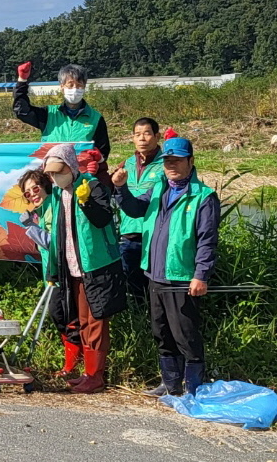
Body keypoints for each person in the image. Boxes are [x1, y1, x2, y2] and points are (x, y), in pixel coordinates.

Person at [112, 137, 220, 397]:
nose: (171, 165)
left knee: (186, 334)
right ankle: (170, 386)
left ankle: (193, 389)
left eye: (177, 160)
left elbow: (207, 240)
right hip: (155, 273)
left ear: (190, 162)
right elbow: (136, 210)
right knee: (161, 332)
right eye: (167, 161)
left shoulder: (203, 197)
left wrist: (200, 275)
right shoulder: (160, 187)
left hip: (182, 276)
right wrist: (121, 188)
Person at [39, 143, 125, 393]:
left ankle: (95, 376)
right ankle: (86, 372)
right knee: (82, 321)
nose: (55, 177)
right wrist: (55, 269)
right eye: (51, 173)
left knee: (96, 320)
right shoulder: (57, 193)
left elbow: (103, 219)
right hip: (71, 267)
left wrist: (87, 201)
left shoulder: (91, 185)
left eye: (59, 171)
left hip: (95, 265)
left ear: (71, 166)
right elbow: (57, 233)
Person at [18, 167, 85, 380]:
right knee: (59, 316)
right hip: (50, 272)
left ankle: (72, 366)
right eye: (27, 193)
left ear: (46, 185)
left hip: (63, 271)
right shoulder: (42, 209)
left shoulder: (55, 203)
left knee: (64, 315)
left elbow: (53, 242)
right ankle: (72, 363)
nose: (33, 194)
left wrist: (31, 227)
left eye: (35, 188)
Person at [13, 62, 111, 167]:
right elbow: (22, 111)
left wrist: (98, 161)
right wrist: (22, 81)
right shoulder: (48, 114)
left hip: (83, 176)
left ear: (84, 87)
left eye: (79, 85)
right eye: (71, 84)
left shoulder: (96, 118)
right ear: (62, 86)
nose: (75, 89)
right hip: (51, 173)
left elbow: (103, 151)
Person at [118, 117, 166, 304]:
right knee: (132, 288)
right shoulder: (127, 164)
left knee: (155, 288)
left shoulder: (167, 164)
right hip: (129, 234)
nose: (142, 139)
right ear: (132, 138)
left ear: (157, 136)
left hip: (155, 235)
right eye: (137, 134)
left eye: (147, 133)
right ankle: (138, 328)